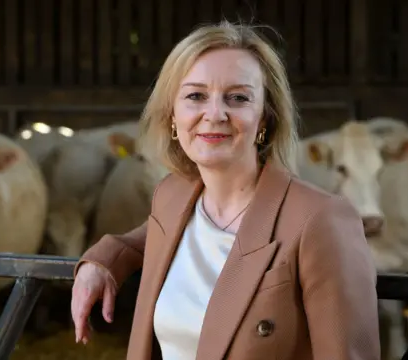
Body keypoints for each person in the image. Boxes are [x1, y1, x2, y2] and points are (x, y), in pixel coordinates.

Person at [70, 20, 380, 360]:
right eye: (195, 96)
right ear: (173, 115)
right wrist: (100, 263)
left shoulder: (320, 218)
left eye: (237, 98)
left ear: (265, 118)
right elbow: (144, 241)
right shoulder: (172, 196)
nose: (215, 114)